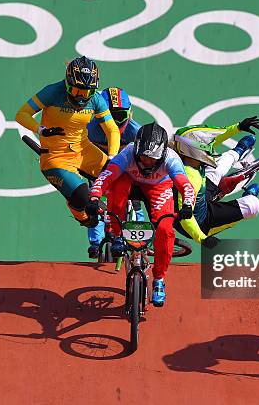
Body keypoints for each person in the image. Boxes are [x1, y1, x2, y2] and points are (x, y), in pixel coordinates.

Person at [86, 122, 195, 307]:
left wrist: (187, 205)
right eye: (143, 156)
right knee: (117, 186)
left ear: (162, 155)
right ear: (137, 149)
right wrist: (94, 197)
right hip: (130, 182)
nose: (147, 162)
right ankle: (117, 234)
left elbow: (185, 185)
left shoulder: (172, 159)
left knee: (165, 229)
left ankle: (159, 279)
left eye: (153, 159)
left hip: (158, 187)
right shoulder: (127, 153)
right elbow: (106, 176)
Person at [15, 56, 120, 227]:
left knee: (121, 176)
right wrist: (40, 130)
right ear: (67, 82)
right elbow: (21, 114)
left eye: (86, 92)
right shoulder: (52, 92)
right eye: (77, 90)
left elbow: (112, 129)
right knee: (82, 196)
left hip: (84, 150)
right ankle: (81, 216)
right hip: (56, 157)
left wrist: (112, 157)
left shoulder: (95, 99)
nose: (81, 97)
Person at [172, 117, 259, 248]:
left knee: (217, 168)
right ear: (194, 150)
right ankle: (247, 198)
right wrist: (202, 239)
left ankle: (238, 151)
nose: (210, 148)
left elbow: (214, 139)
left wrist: (238, 127)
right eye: (205, 147)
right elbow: (185, 217)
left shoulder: (189, 159)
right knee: (253, 205)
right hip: (201, 222)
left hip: (200, 197)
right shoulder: (190, 179)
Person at [85, 87, 145, 258]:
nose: (113, 122)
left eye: (119, 116)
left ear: (130, 114)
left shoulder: (136, 132)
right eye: (108, 116)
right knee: (94, 200)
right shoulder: (88, 128)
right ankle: (96, 242)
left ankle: (137, 238)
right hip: (100, 167)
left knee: (135, 201)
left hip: (127, 169)